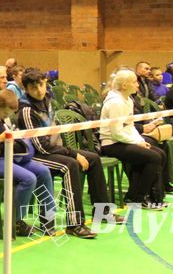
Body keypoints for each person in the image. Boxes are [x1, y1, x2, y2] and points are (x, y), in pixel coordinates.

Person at [17, 69, 113, 235]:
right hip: (36, 156)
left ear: (46, 82)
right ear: (26, 89)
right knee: (70, 165)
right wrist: (73, 153)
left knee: (94, 159)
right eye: (33, 88)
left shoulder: (48, 100)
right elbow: (41, 147)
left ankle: (102, 212)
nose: (39, 90)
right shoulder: (26, 110)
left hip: (53, 150)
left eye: (41, 85)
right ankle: (74, 224)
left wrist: (71, 151)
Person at [0, 88, 57, 237]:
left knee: (43, 171)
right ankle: (15, 222)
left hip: (12, 157)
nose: (7, 116)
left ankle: (48, 219)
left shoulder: (4, 118)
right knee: (28, 179)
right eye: (5, 113)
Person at [100, 70, 166, 207]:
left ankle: (136, 195)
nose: (137, 85)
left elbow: (129, 126)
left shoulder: (128, 100)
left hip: (124, 140)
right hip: (111, 144)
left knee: (161, 154)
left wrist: (140, 141)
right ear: (124, 85)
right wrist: (137, 143)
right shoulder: (115, 103)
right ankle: (138, 198)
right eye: (134, 82)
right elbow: (116, 132)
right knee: (154, 157)